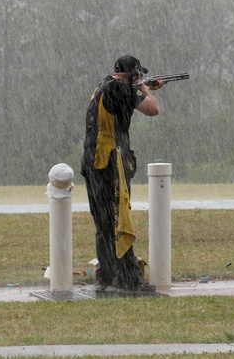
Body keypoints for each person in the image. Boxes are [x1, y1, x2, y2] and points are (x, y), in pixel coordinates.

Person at [81, 55, 166, 292]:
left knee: (105, 223)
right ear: (132, 74)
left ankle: (106, 277)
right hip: (109, 161)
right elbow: (153, 109)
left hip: (92, 161)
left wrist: (141, 87)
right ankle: (129, 279)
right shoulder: (120, 87)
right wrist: (145, 89)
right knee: (120, 220)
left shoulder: (104, 84)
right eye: (138, 75)